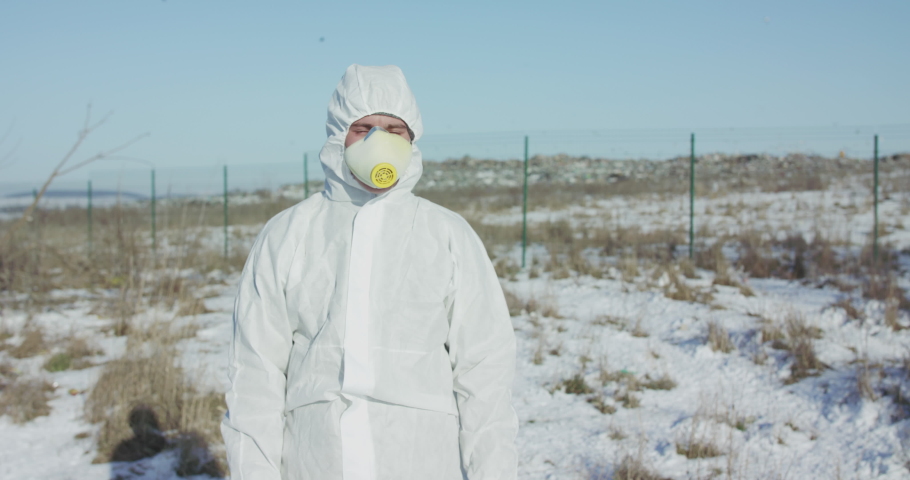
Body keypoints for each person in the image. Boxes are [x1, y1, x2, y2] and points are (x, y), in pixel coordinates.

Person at [221, 64, 518, 480]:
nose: (380, 142)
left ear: (412, 140)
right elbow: (254, 372)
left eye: (394, 130)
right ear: (337, 136)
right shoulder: (289, 233)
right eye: (363, 129)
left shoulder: (446, 233)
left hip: (422, 458)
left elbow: (484, 369)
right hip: (318, 459)